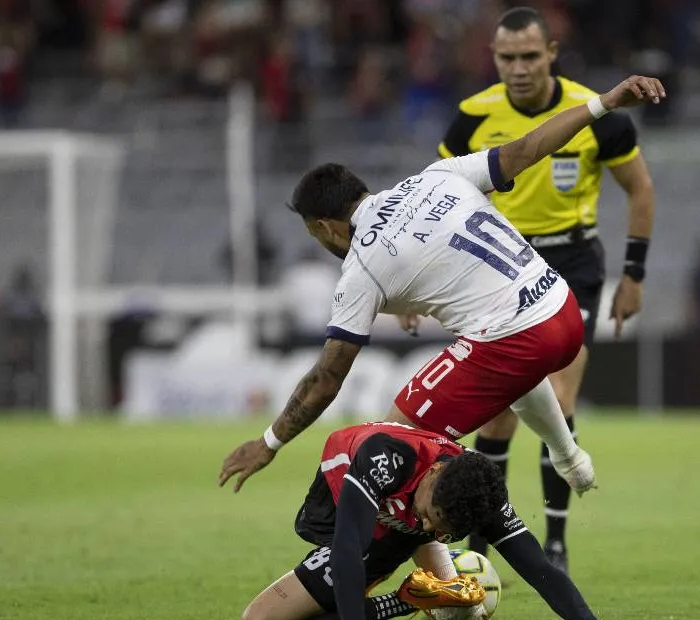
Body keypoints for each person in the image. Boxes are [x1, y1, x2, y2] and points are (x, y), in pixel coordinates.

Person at [218, 75, 666, 499]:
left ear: (325, 227)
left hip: (518, 340)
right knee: (500, 355)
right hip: (561, 308)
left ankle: (452, 571)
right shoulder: (437, 176)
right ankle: (568, 455)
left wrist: (269, 442)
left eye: (316, 236)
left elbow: (326, 380)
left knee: (389, 444)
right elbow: (530, 147)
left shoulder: (362, 268)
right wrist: (603, 103)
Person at [420, 7, 655, 572]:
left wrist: (634, 275)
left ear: (551, 52)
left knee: (560, 394)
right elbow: (439, 202)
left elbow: (640, 191)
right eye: (507, 58)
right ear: (494, 58)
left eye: (529, 56)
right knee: (496, 413)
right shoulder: (471, 117)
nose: (519, 68)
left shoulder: (598, 111)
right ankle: (479, 542)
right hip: (500, 266)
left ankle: (555, 542)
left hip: (574, 262)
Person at [234, 421, 640, 620]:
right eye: (434, 515)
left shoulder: (478, 494)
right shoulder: (384, 459)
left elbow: (536, 564)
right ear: (430, 475)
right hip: (346, 515)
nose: (430, 527)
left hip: (396, 527)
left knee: (460, 611)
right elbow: (346, 546)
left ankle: (427, 594)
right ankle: (411, 598)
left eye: (443, 529)